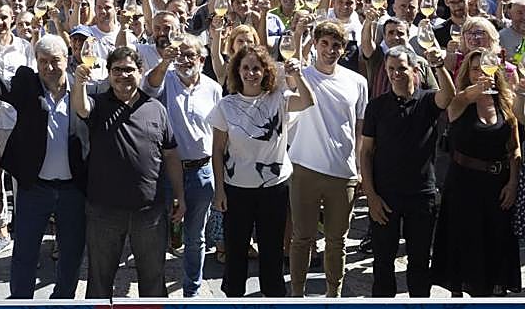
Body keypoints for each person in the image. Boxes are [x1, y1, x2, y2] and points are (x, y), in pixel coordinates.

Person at [0, 33, 88, 299]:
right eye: (43, 62)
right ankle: (20, 302)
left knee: (72, 253)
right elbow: (1, 89)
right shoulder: (27, 83)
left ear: (68, 59)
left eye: (55, 61)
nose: (49, 68)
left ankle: (62, 301)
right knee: (25, 253)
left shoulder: (82, 89)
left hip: (73, 190)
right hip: (34, 187)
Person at [73, 46, 184, 298]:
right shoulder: (98, 104)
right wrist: (79, 82)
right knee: (99, 280)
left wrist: (180, 195)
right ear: (109, 74)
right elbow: (81, 108)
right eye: (117, 70)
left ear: (141, 72)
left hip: (150, 211)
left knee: (154, 278)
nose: (123, 75)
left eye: (129, 70)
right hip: (104, 210)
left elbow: (171, 155)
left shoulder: (156, 108)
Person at [209, 43, 315, 297]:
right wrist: (219, 191)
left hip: (273, 188)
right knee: (236, 251)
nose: (251, 73)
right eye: (245, 67)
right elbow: (217, 151)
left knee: (271, 249)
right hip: (237, 189)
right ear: (237, 71)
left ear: (266, 71)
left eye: (256, 68)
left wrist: (297, 75)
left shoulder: (278, 98)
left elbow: (308, 101)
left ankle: (274, 298)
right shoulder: (226, 105)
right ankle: (233, 298)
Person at [360, 44, 453, 297]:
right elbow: (365, 152)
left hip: (422, 196)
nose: (395, 74)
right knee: (383, 265)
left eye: (401, 68)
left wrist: (439, 65)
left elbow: (448, 96)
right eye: (391, 69)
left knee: (420, 264)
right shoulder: (376, 106)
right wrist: (371, 196)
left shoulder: (427, 100)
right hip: (385, 197)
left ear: (415, 71)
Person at [430, 48, 522, 296]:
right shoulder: (460, 102)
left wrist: (512, 183)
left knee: (496, 247)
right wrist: (474, 90)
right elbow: (456, 100)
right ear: (467, 73)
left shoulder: (505, 101)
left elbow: (514, 149)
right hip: (464, 186)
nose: (481, 72)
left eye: (487, 66)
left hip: (498, 187)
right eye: (475, 68)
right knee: (465, 247)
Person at [287, 20, 368, 297]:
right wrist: (298, 35)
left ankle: (334, 296)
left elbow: (359, 128)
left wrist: (358, 169)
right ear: (316, 45)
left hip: (342, 172)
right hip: (304, 168)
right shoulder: (302, 75)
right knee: (302, 239)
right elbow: (290, 68)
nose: (330, 50)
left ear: (343, 49)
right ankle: (296, 296)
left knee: (337, 241)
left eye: (336, 45)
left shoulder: (357, 81)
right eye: (324, 44)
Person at [143, 33, 221, 297]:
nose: (185, 60)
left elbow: (219, 131)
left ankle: (192, 291)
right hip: (166, 172)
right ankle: (157, 291)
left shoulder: (213, 88)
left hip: (202, 171)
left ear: (202, 58)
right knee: (159, 235)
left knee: (195, 237)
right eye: (181, 54)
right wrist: (165, 62)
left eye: (191, 55)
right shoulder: (166, 80)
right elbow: (148, 87)